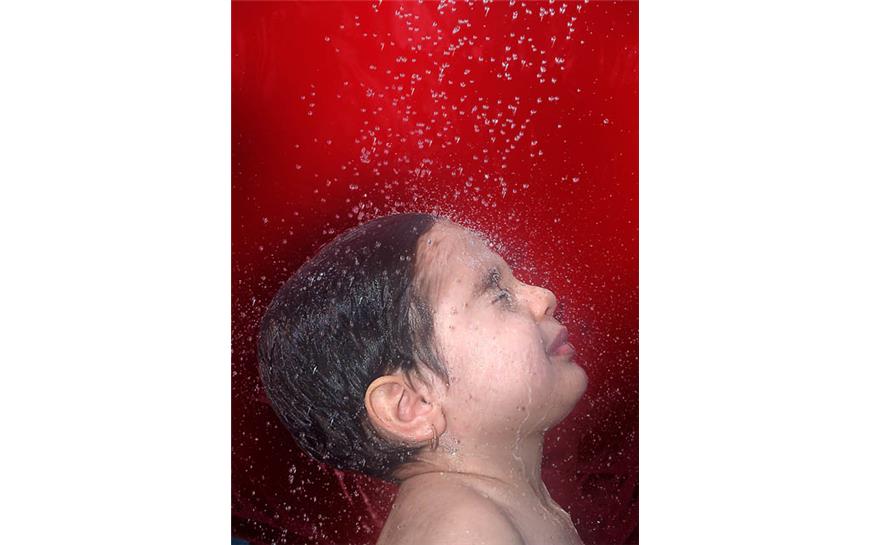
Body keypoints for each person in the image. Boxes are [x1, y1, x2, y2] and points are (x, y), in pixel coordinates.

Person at [259, 213, 588, 545]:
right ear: (413, 404)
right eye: (499, 295)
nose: (544, 297)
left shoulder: (502, 506)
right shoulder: (463, 530)